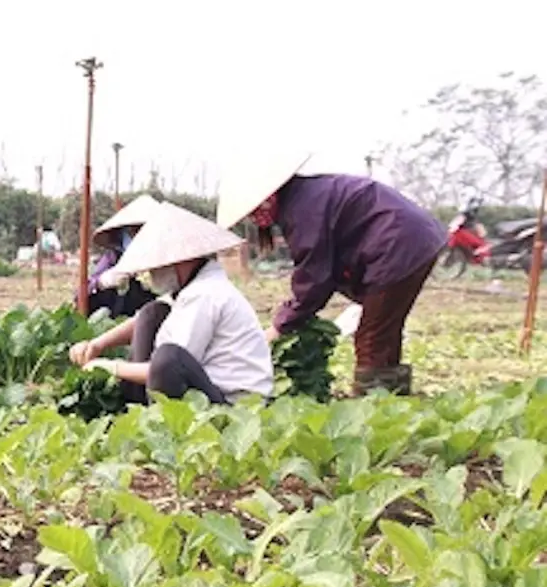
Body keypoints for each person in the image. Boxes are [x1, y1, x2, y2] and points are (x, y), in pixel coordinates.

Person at [217, 156, 445, 396]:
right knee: (385, 328)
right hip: (414, 239)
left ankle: (374, 407)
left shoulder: (303, 207)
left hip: (397, 244)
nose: (254, 217)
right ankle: (392, 398)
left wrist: (281, 325)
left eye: (255, 208)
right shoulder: (305, 195)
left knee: (371, 336)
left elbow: (314, 275)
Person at [69, 202, 273, 405]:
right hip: (211, 387)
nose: (152, 273)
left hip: (236, 405)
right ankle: (136, 406)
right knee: (152, 313)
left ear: (179, 261)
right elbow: (142, 319)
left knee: (168, 356)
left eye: (157, 266)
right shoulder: (192, 287)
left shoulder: (205, 294)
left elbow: (165, 367)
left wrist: (111, 367)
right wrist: (98, 344)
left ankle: (153, 414)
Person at [84, 194, 161, 319]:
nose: (138, 237)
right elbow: (81, 297)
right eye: (132, 232)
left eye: (143, 231)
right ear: (122, 234)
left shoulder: (168, 260)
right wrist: (101, 282)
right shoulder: (113, 259)